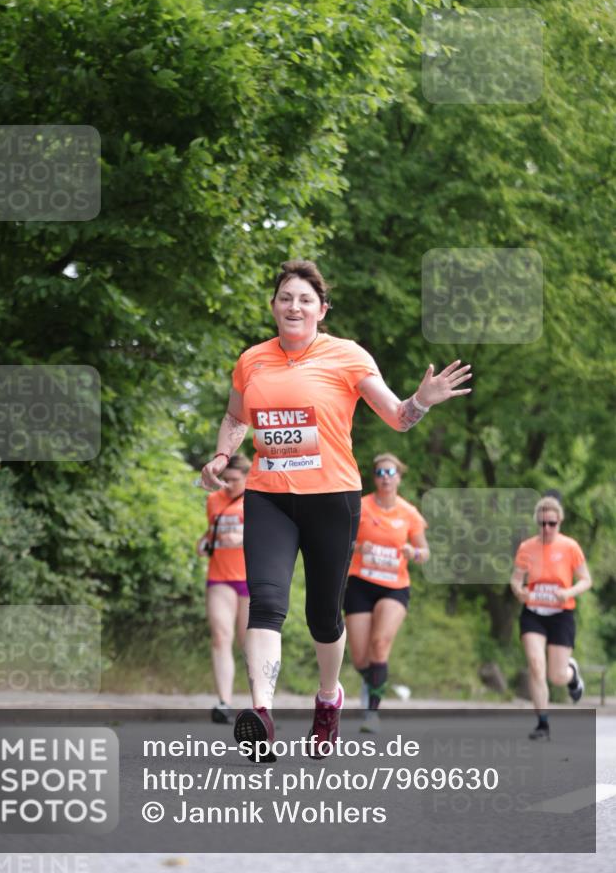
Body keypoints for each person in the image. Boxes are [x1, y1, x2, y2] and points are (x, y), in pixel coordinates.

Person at [201, 259, 471, 759]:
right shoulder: (252, 360)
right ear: (273, 306)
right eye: (286, 297)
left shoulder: (347, 356)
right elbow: (235, 417)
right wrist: (222, 454)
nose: (294, 306)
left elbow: (396, 417)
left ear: (321, 310)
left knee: (324, 615)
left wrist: (423, 400)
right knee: (266, 604)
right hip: (269, 498)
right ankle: (262, 712)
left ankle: (328, 700)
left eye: (305, 299)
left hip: (332, 500)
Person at [345, 453, 429, 732]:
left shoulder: (409, 513)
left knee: (379, 644)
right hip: (360, 583)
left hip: (394, 587)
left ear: (399, 477)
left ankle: (372, 714)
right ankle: (373, 681)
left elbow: (424, 553)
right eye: (380, 473)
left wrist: (412, 551)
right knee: (360, 658)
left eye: (390, 472)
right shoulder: (360, 506)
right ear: (374, 478)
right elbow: (342, 541)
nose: (385, 477)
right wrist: (358, 547)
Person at [510, 495, 592, 740]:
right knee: (536, 665)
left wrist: (568, 591)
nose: (547, 528)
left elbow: (586, 580)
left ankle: (571, 674)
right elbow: (515, 579)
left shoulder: (570, 547)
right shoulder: (527, 548)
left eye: (552, 524)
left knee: (556, 676)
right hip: (533, 613)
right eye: (542, 523)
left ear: (560, 522)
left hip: (561, 615)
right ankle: (542, 724)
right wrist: (519, 592)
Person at [197, 454, 251, 724]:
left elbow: (272, 539)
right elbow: (210, 532)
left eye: (234, 480)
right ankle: (223, 703)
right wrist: (203, 543)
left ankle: (261, 705)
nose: (228, 485)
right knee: (220, 636)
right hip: (219, 575)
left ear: (247, 478)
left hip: (251, 579)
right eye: (225, 479)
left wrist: (242, 538)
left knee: (249, 644)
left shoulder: (258, 501)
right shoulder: (213, 500)